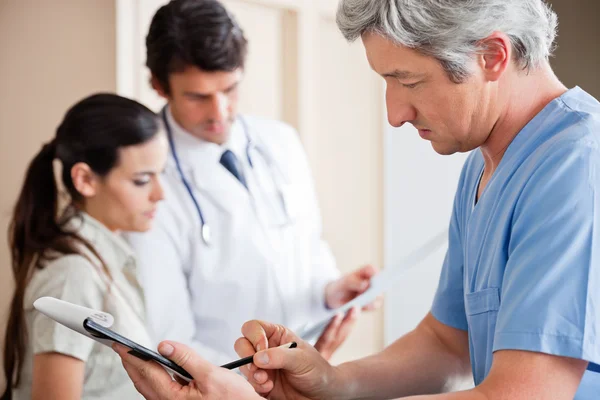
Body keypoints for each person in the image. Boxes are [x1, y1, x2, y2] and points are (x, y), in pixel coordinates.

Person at [114, 0, 600, 398]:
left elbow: (522, 396)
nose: (394, 113)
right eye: (386, 82)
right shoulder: (484, 163)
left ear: (492, 56)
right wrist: (330, 382)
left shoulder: (577, 165)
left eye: (408, 82)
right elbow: (447, 343)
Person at [123, 0, 379, 365]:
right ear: (159, 86)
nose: (219, 112)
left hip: (306, 372)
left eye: (229, 89)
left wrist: (331, 292)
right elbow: (171, 337)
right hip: (225, 386)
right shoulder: (145, 180)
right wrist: (262, 377)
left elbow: (308, 247)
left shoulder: (280, 142)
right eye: (198, 97)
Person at [1, 93, 168, 400]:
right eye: (143, 180)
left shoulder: (104, 257)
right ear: (85, 179)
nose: (161, 194)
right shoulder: (73, 273)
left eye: (161, 175)